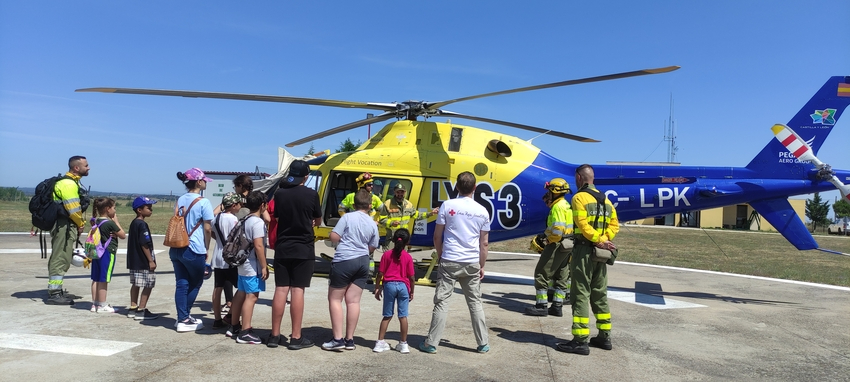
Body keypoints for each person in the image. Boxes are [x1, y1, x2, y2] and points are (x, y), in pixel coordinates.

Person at [419, 171, 491, 354]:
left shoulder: (447, 206)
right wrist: (481, 265)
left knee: (442, 302)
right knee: (475, 302)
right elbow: (484, 243)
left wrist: (441, 254)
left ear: (456, 187)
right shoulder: (482, 211)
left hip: (450, 259)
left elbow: (437, 235)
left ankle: (432, 343)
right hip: (472, 261)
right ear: (475, 188)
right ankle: (482, 343)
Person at [556, 164, 620, 355]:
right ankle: (604, 336)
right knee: (599, 292)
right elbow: (615, 224)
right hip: (601, 254)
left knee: (580, 293)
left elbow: (582, 225)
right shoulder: (606, 200)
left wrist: (599, 240)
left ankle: (580, 340)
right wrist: (605, 240)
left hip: (584, 251)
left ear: (578, 177)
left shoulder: (578, 198)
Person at [269, 159, 321, 350]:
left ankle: (274, 335)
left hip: (283, 246)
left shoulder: (280, 194)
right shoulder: (311, 194)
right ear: (306, 177)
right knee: (298, 290)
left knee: (281, 289)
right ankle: (296, 337)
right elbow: (318, 219)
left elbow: (277, 217)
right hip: (303, 248)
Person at [322, 189, 379, 351]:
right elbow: (373, 245)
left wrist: (332, 235)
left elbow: (335, 236)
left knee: (335, 299)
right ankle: (349, 339)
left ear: (353, 205)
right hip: (363, 261)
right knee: (353, 301)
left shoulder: (347, 217)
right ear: (369, 205)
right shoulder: (372, 222)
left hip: (344, 259)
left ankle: (337, 338)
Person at [171, 168, 214, 333]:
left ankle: (182, 317)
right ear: (198, 181)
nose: (205, 183)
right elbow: (208, 228)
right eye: (204, 180)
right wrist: (206, 247)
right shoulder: (203, 202)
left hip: (176, 246)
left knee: (181, 283)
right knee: (196, 282)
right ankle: (184, 317)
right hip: (194, 247)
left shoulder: (180, 199)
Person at [46, 155, 90, 305]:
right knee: (61, 257)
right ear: (76, 168)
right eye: (86, 165)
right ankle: (55, 293)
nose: (88, 168)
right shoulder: (68, 184)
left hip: (65, 224)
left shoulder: (71, 183)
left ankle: (55, 290)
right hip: (64, 225)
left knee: (62, 256)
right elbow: (73, 209)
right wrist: (80, 223)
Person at [525, 178, 573, 317]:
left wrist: (547, 241)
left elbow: (557, 229)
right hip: (568, 244)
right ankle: (557, 306)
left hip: (556, 244)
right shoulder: (565, 205)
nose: (547, 195)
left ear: (554, 192)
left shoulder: (557, 207)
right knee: (561, 274)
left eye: (549, 191)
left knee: (541, 273)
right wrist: (545, 234)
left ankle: (541, 306)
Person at [231, 191, 270, 345]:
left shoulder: (244, 219)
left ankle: (234, 326)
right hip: (252, 265)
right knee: (252, 296)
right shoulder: (258, 222)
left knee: (241, 293)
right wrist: (264, 266)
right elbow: (259, 245)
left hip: (242, 263)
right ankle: (245, 331)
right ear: (262, 205)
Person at [372, 228, 415, 354]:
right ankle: (403, 343)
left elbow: (380, 273)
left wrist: (377, 288)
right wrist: (412, 291)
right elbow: (411, 277)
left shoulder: (386, 255)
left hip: (389, 285)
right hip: (403, 286)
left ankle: (380, 342)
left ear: (394, 240)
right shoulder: (407, 257)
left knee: (387, 315)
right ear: (407, 242)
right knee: (403, 316)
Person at [210, 192, 243, 329]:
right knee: (241, 288)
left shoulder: (215, 219)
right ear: (234, 205)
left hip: (217, 255)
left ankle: (217, 319)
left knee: (218, 288)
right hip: (230, 258)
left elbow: (212, 232)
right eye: (239, 204)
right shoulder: (234, 220)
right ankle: (231, 314)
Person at [88, 197, 125, 313]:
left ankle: (95, 304)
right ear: (108, 209)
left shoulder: (96, 221)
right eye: (114, 208)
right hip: (107, 252)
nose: (115, 211)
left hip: (96, 253)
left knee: (96, 278)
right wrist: (116, 221)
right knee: (104, 279)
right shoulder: (109, 223)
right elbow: (123, 235)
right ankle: (102, 304)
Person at [126, 196, 159, 320]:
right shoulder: (142, 225)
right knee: (148, 284)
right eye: (148, 208)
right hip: (143, 261)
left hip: (134, 261)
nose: (151, 210)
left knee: (135, 284)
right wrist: (150, 260)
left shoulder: (134, 223)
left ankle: (133, 307)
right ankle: (141, 309)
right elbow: (144, 243)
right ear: (139, 210)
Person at [377, 183, 434, 250]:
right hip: (392, 238)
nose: (400, 194)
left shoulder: (408, 204)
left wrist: (430, 214)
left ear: (405, 192)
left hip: (404, 238)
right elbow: (382, 219)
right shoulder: (387, 204)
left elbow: (416, 215)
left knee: (402, 258)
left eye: (402, 192)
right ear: (394, 192)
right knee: (390, 258)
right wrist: (391, 223)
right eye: (398, 192)